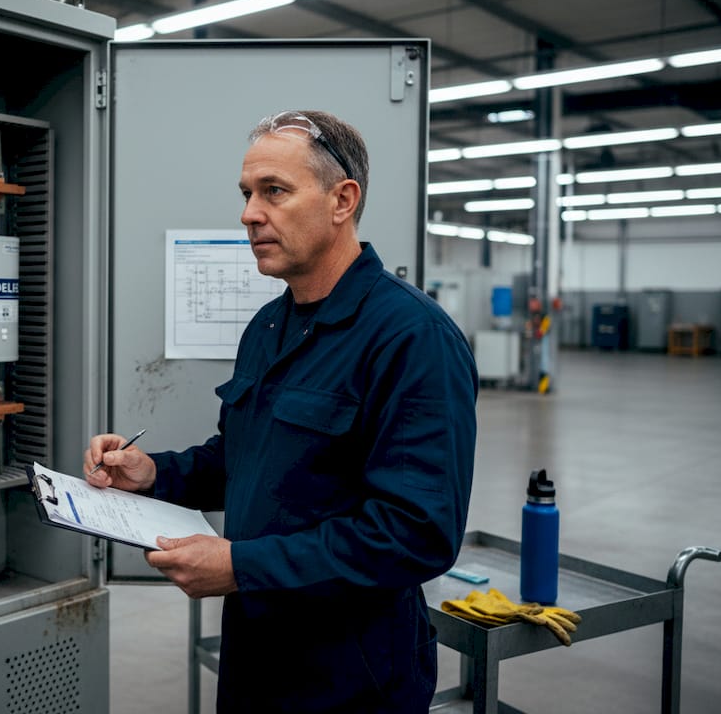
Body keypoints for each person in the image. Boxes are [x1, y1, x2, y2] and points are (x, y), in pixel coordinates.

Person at [84, 110, 477, 713]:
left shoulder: (412, 337)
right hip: (258, 654)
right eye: (247, 194)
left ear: (342, 200)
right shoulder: (269, 326)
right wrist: (154, 473)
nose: (249, 213)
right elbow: (242, 460)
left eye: (274, 191)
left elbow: (417, 534)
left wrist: (242, 566)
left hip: (352, 677)